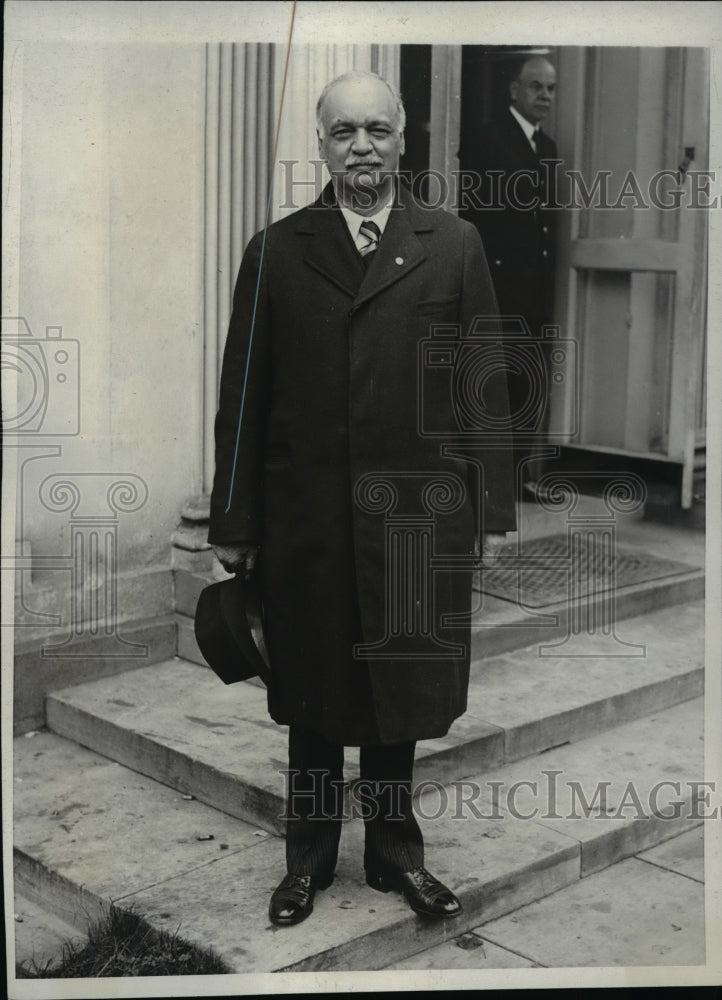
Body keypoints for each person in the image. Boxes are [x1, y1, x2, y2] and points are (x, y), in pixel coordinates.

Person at [209, 70, 516, 927]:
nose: (362, 148)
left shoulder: (452, 243)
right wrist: (235, 521)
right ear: (321, 145)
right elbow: (243, 396)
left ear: (403, 139)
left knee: (398, 691)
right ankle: (306, 862)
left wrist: (489, 511)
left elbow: (484, 385)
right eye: (344, 132)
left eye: (377, 130)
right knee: (311, 693)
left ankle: (395, 856)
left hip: (415, 519)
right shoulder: (276, 250)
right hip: (306, 521)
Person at [460, 55, 559, 498]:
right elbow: (474, 215)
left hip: (533, 286)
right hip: (498, 283)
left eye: (551, 89)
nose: (545, 96)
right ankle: (486, 483)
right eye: (536, 86)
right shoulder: (488, 138)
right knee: (490, 381)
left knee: (526, 381)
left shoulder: (547, 147)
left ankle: (517, 479)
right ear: (514, 90)